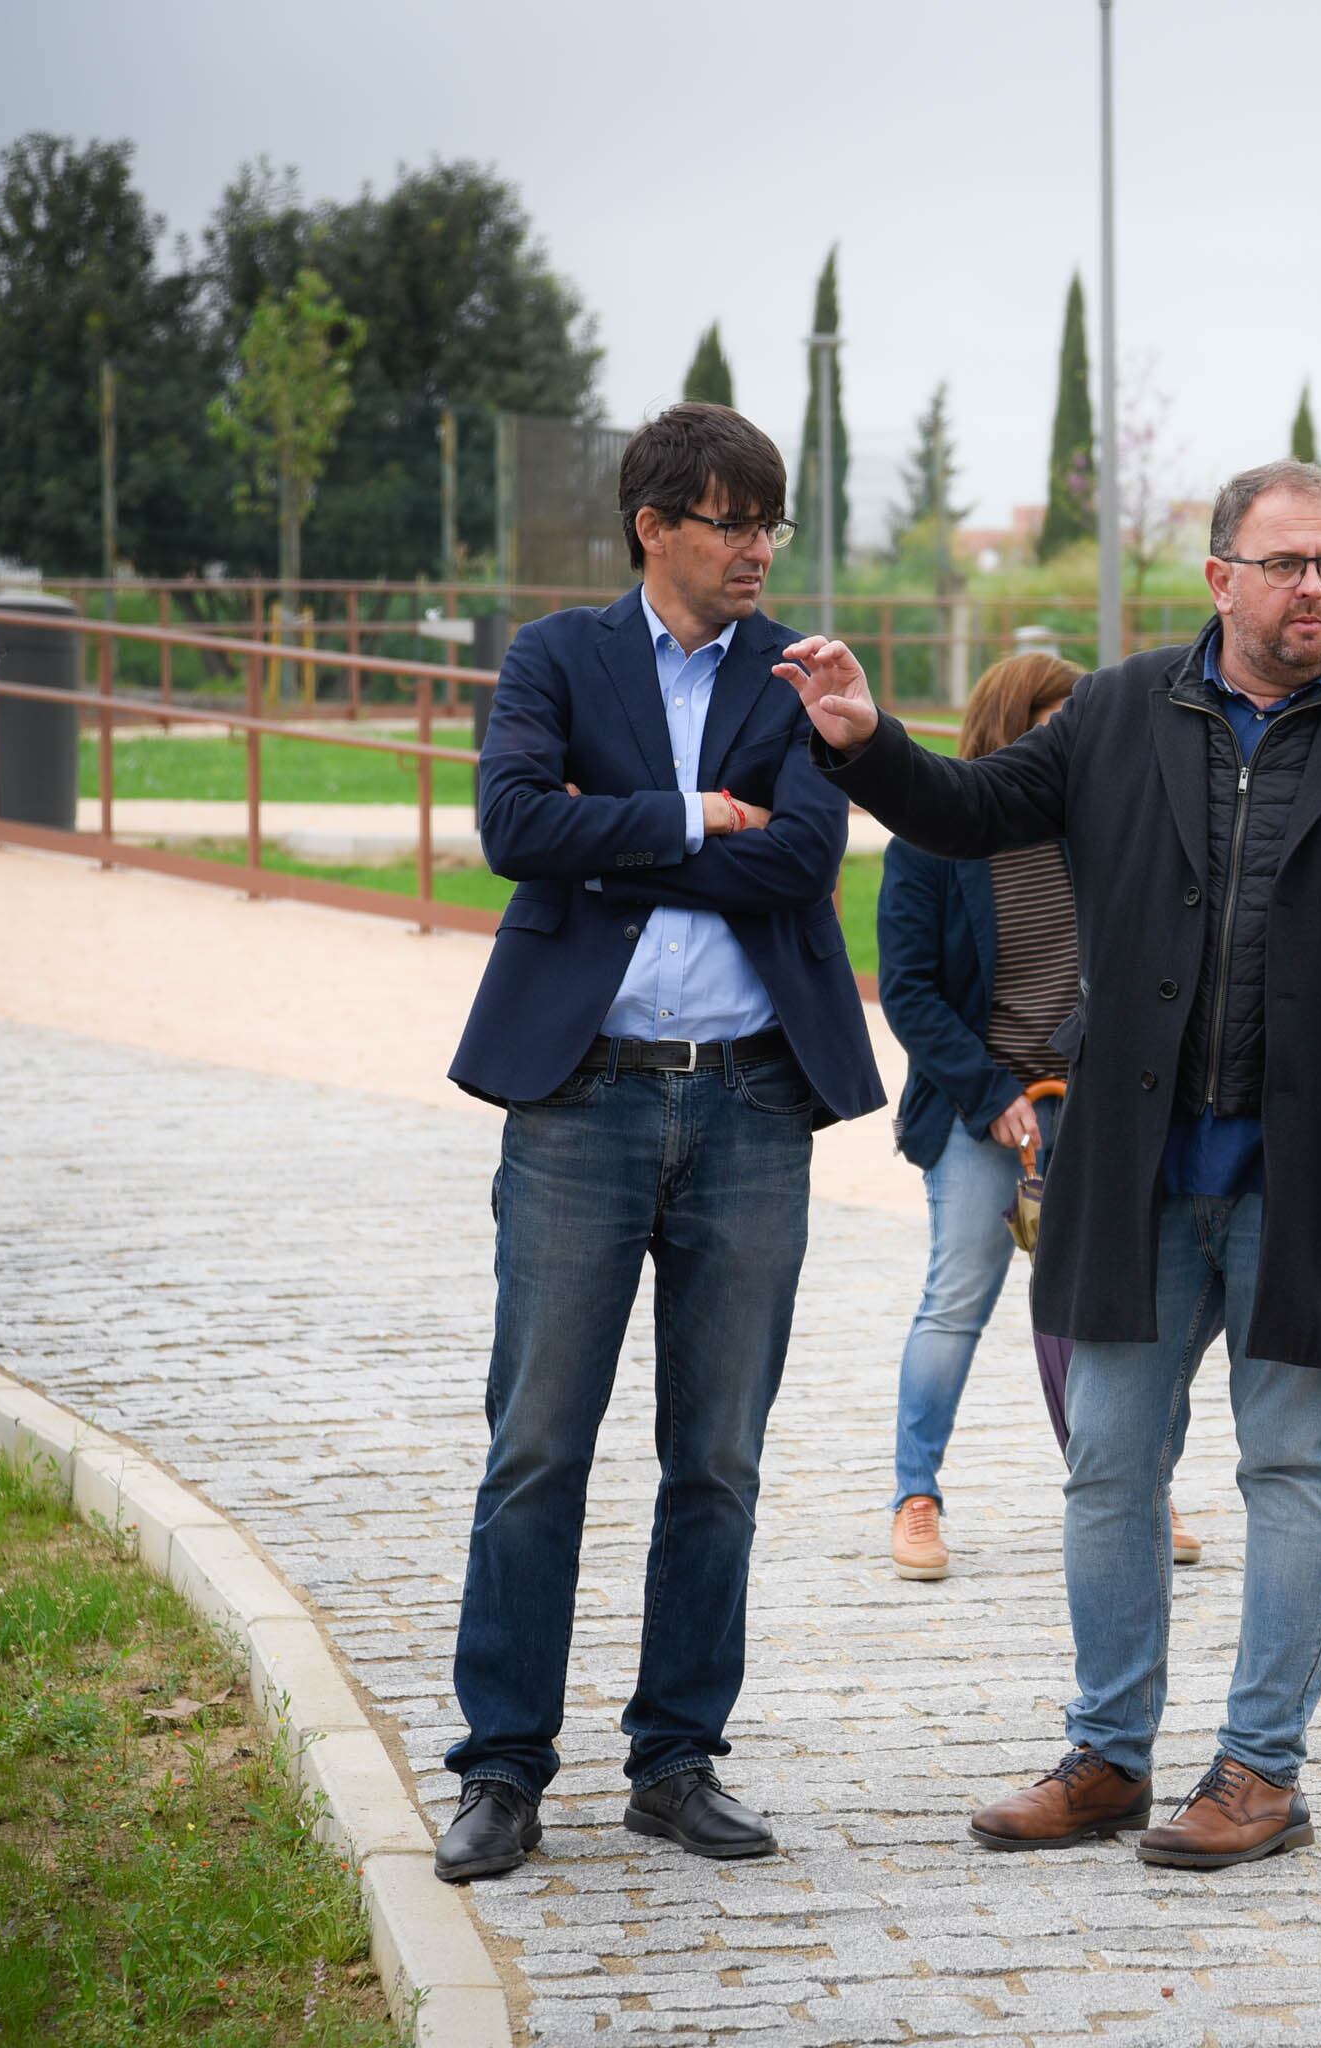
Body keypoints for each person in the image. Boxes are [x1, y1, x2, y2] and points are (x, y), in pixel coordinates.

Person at [782, 459, 1321, 1870]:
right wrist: (864, 742)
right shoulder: (1118, 711)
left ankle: (1259, 1772)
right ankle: (1111, 1755)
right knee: (1110, 1458)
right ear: (1220, 576)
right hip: (1136, 1167)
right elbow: (967, 809)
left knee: (1292, 1462)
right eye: (1287, 563)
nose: (1315, 588)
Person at [433, 404, 884, 1884]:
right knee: (537, 1447)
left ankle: (675, 1761)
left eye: (771, 523)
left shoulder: (796, 672)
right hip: (583, 1098)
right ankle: (501, 1771)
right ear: (654, 525)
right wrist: (693, 815)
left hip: (753, 1103)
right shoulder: (558, 657)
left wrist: (612, 827)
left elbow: (808, 858)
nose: (758, 547)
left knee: (719, 1460)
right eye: (730, 520)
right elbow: (510, 825)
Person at [875, 651, 1202, 1579]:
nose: (1075, 743)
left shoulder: (1098, 830)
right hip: (980, 1109)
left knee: (1098, 1314)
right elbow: (909, 991)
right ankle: (916, 1497)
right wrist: (991, 1096)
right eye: (1057, 724)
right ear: (1014, 726)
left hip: (1091, 1108)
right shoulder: (936, 839)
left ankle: (1134, 1488)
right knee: (957, 1297)